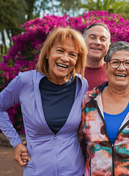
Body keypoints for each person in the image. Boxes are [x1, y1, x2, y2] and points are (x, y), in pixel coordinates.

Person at [0, 28, 88, 176]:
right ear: (48, 53)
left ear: (77, 60)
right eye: (60, 51)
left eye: (72, 54)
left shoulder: (81, 85)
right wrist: (16, 142)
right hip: (36, 172)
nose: (65, 58)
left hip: (75, 172)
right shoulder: (25, 81)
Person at [79, 41, 129, 175]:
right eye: (115, 62)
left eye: (128, 63)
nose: (121, 68)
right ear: (106, 67)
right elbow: (80, 143)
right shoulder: (89, 101)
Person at [83, 23, 111, 90]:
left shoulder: (113, 73)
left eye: (103, 39)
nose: (97, 42)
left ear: (108, 46)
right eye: (92, 37)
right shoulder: (70, 70)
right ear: (83, 41)